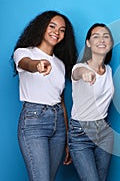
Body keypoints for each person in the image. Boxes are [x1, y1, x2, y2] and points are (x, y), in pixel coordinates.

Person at [12, 10, 78, 181]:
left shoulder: (61, 64)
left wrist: (67, 139)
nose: (57, 32)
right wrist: (38, 65)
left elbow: (61, 101)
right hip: (34, 121)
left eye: (62, 30)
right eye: (52, 26)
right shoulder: (24, 52)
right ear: (42, 27)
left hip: (59, 125)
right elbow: (25, 63)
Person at [68, 23, 114, 181]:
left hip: (104, 132)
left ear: (111, 43)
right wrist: (86, 73)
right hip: (80, 132)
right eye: (96, 36)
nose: (101, 39)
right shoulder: (79, 67)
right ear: (88, 42)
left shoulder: (108, 70)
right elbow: (77, 73)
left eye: (106, 36)